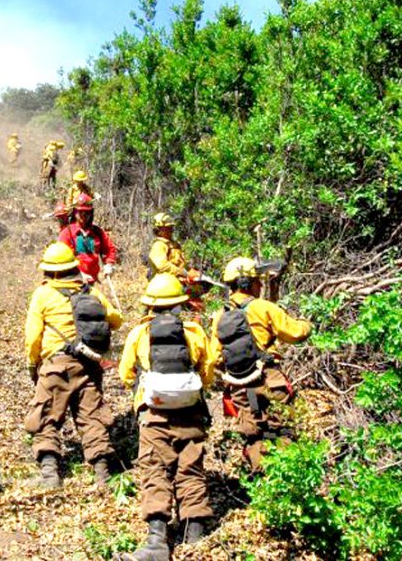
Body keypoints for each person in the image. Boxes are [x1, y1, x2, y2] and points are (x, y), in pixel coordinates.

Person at [119, 274, 217, 560]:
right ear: (179, 305)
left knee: (156, 471)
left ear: (150, 305)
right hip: (191, 413)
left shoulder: (139, 334)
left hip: (154, 415)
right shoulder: (195, 332)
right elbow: (207, 372)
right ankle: (194, 534)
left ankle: (156, 542)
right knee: (191, 468)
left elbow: (126, 374)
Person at [24, 242, 123, 489]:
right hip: (88, 366)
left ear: (50, 272)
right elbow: (115, 320)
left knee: (46, 417)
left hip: (55, 366)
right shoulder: (90, 292)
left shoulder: (43, 295)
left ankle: (50, 476)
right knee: (91, 418)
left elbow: (33, 337)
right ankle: (103, 476)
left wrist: (33, 364)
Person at [210, 256, 312, 473]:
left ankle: (264, 484)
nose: (260, 285)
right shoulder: (263, 307)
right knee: (281, 429)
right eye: (258, 281)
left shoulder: (220, 316)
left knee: (255, 432)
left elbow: (214, 356)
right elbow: (295, 333)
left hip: (241, 387)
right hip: (269, 379)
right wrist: (307, 324)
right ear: (248, 283)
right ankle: (288, 481)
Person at [58, 194, 117, 284]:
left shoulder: (97, 232)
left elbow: (109, 249)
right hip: (72, 282)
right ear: (74, 212)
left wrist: (109, 264)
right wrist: (78, 275)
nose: (83, 215)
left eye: (87, 212)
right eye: (80, 212)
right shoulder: (67, 233)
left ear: (91, 213)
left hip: (92, 281)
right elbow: (61, 259)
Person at [147, 212, 187, 280]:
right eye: (167, 228)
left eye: (171, 227)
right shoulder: (158, 245)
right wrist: (181, 272)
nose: (171, 230)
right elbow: (161, 266)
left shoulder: (174, 244)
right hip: (163, 285)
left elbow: (181, 263)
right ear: (158, 229)